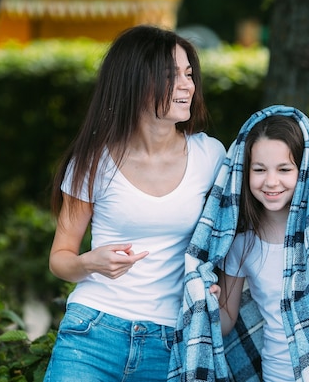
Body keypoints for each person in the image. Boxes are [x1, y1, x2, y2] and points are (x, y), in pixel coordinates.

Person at [43, 25, 226, 382]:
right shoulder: (93, 161)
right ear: (137, 82)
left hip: (169, 340)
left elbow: (251, 226)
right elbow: (59, 260)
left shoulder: (211, 156)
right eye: (173, 76)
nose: (188, 86)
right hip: (93, 332)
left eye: (189, 74)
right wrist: (89, 263)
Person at [168, 105, 309, 382]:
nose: (271, 181)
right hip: (276, 375)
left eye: (284, 169)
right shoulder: (241, 241)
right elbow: (227, 319)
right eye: (259, 169)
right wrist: (207, 301)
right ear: (244, 172)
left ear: (304, 171)